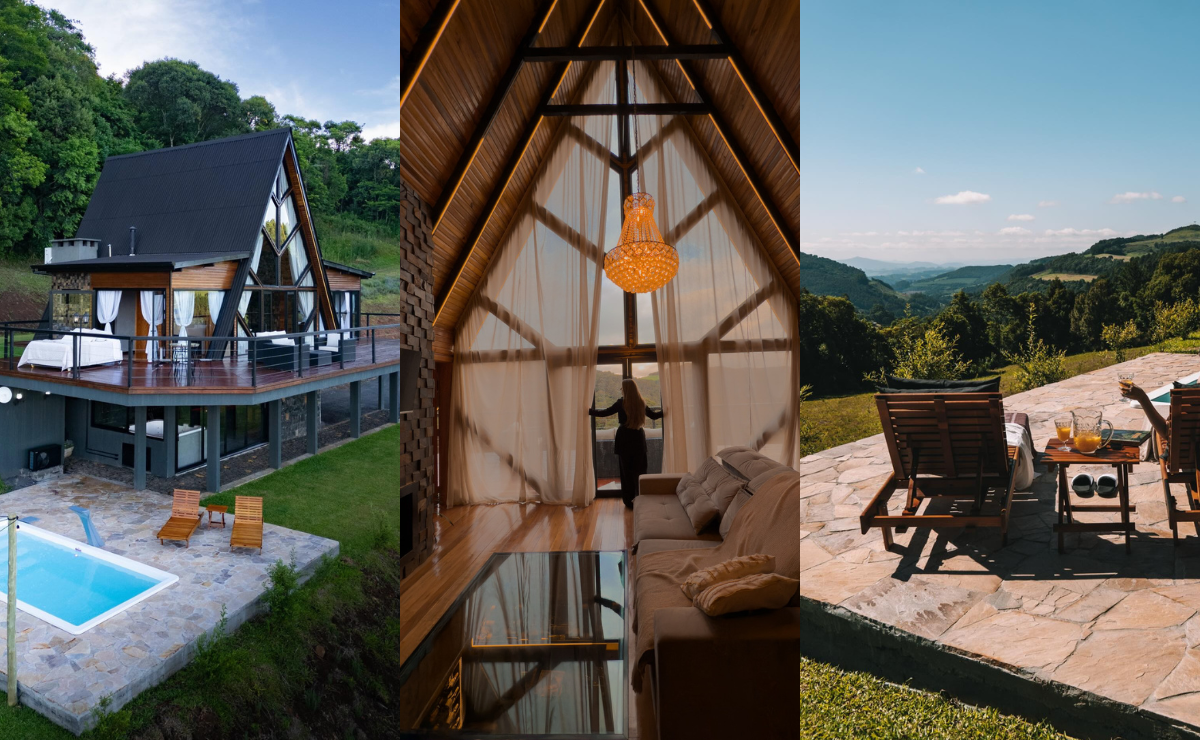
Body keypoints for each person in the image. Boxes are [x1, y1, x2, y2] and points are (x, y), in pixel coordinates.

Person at [590, 379, 663, 508]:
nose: (621, 390)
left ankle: (629, 501)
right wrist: (669, 410)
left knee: (626, 472)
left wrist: (589, 411)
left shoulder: (621, 403)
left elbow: (604, 413)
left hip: (624, 439)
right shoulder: (641, 402)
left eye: (622, 388)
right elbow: (654, 416)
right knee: (640, 471)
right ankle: (641, 499)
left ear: (625, 389)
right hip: (638, 438)